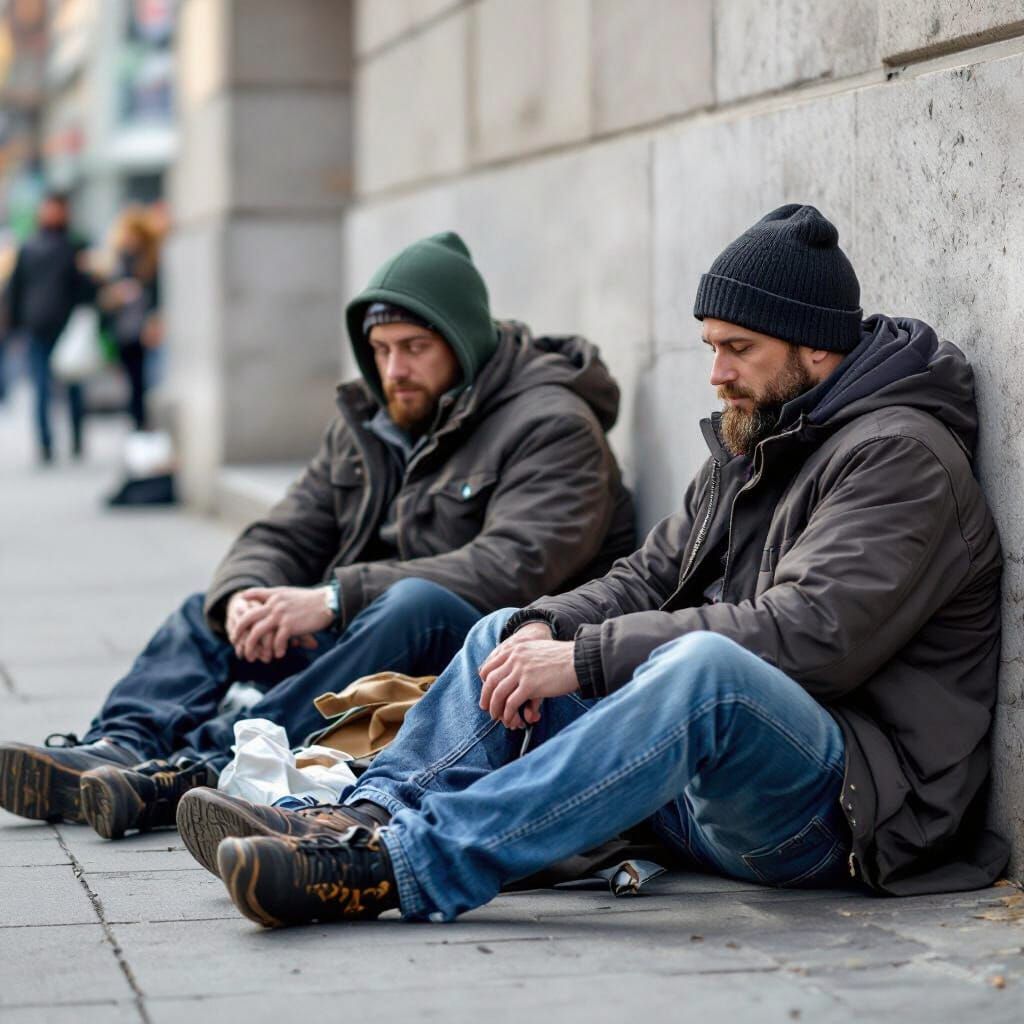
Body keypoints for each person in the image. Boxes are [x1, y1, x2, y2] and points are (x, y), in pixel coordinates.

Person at [179, 205, 1007, 928]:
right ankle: (359, 821)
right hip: (704, 799)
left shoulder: (899, 458)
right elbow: (646, 576)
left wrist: (584, 659)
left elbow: (811, 635)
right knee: (507, 631)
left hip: (845, 812)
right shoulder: (759, 437)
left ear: (817, 347)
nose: (716, 374)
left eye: (738, 349)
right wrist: (551, 627)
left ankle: (401, 867)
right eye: (710, 347)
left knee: (706, 673)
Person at [0, 231, 635, 841]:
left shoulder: (552, 425)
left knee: (416, 604)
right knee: (212, 611)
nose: (394, 369)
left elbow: (510, 567)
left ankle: (202, 763)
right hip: (368, 639)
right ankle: (120, 745)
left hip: (487, 661)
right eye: (380, 349)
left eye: (414, 347)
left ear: (464, 342)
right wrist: (246, 594)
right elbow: (287, 528)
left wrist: (332, 599)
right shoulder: (371, 419)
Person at [4, 192, 94, 462]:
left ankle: (76, 438)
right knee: (42, 387)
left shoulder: (75, 246)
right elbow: (15, 289)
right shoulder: (30, 247)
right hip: (38, 326)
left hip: (67, 325)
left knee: (73, 383)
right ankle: (45, 444)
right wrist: (14, 326)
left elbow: (86, 290)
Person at [98, 205, 164, 431]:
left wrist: (154, 320)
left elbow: (158, 294)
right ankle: (136, 423)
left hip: (144, 328)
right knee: (129, 379)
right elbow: (104, 299)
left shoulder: (150, 260)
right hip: (122, 328)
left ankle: (143, 423)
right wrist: (117, 294)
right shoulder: (118, 260)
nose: (130, 238)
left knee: (145, 379)